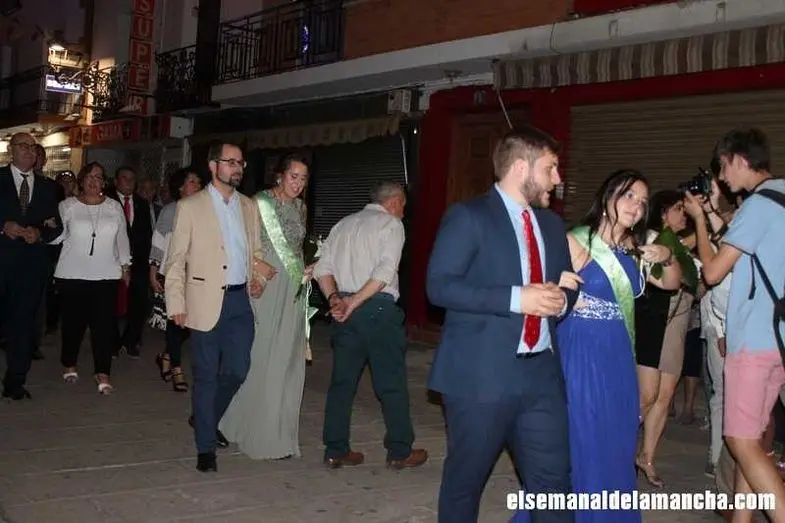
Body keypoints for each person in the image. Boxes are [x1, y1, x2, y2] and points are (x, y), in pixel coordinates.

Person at [427, 128, 579, 523]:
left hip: (541, 375)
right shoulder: (469, 216)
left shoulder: (551, 226)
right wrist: (517, 298)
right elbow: (440, 286)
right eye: (551, 168)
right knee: (466, 483)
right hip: (480, 375)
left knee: (554, 485)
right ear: (521, 168)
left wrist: (561, 300)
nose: (557, 179)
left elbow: (566, 283)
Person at [511, 170, 679, 523]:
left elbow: (672, 283)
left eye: (642, 201)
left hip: (618, 353)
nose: (636, 206)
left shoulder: (635, 249)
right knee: (581, 436)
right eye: (629, 196)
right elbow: (536, 289)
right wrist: (560, 289)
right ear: (608, 197)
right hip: (581, 351)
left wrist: (666, 254)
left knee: (615, 437)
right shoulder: (577, 241)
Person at [686, 128, 785, 523]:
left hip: (753, 340)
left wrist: (698, 219)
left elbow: (712, 271)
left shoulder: (757, 206)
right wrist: (713, 213)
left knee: (739, 440)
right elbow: (746, 248)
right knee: (754, 439)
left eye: (724, 166)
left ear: (741, 160)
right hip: (778, 339)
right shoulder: (779, 198)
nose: (722, 177)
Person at [164, 142, 271, 472]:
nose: (237, 168)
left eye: (241, 163)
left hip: (239, 301)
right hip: (203, 300)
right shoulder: (190, 206)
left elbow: (256, 253)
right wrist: (176, 303)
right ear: (213, 166)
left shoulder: (248, 206)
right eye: (230, 162)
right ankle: (206, 448)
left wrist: (258, 278)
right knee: (206, 376)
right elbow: (175, 259)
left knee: (238, 369)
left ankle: (204, 417)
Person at [314, 181, 427, 470]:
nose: (403, 212)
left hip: (346, 312)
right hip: (377, 309)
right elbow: (385, 271)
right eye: (403, 206)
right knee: (391, 384)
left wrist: (336, 299)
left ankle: (335, 449)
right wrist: (354, 302)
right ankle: (400, 450)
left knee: (342, 384)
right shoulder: (391, 225)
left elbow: (321, 268)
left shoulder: (343, 224)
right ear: (394, 202)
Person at [221, 153, 313, 459]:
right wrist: (256, 274)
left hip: (293, 287)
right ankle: (242, 426)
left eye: (303, 178)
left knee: (287, 360)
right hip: (267, 282)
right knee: (261, 356)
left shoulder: (301, 207)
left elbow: (297, 249)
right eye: (293, 176)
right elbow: (240, 244)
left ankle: (278, 434)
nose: (298, 184)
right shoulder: (257, 203)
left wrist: (307, 269)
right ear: (280, 175)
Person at [634, 190, 696, 487]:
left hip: (677, 322)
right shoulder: (651, 240)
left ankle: (646, 457)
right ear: (662, 213)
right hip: (653, 320)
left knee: (665, 394)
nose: (684, 214)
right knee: (647, 394)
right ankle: (614, 447)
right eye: (678, 209)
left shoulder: (679, 245)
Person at [55, 162, 131, 394]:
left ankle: (103, 371)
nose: (93, 181)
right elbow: (57, 235)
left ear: (104, 182)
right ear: (81, 180)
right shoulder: (67, 206)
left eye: (98, 177)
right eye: (89, 176)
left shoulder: (114, 207)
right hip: (72, 273)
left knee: (104, 327)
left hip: (106, 274)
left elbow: (122, 238)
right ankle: (69, 363)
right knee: (73, 324)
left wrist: (125, 265)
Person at [0, 132, 63, 400]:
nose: (29, 151)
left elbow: (56, 225)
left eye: (33, 147)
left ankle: (15, 380)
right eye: (23, 146)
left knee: (23, 325)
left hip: (30, 267)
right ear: (10, 150)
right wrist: (2, 226)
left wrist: (39, 233)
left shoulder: (48, 187)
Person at [150, 167, 203, 392]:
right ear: (180, 187)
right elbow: (158, 241)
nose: (197, 186)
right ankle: (176, 368)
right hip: (173, 273)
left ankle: (166, 355)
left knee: (191, 323)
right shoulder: (171, 210)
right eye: (192, 182)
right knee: (175, 320)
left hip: (198, 275)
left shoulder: (205, 211)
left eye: (198, 182)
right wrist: (153, 270)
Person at [109, 167, 152, 359]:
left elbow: (147, 233)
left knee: (139, 303)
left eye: (132, 179)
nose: (128, 182)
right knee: (110, 303)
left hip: (139, 262)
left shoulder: (142, 204)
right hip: (112, 260)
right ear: (116, 181)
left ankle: (131, 340)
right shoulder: (107, 201)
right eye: (124, 178)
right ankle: (112, 342)